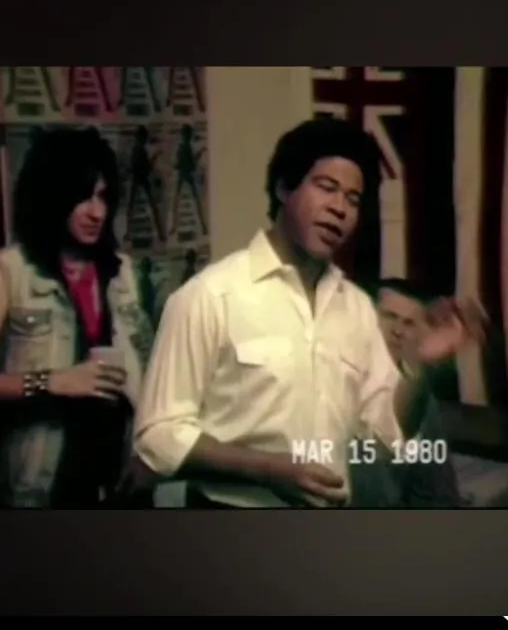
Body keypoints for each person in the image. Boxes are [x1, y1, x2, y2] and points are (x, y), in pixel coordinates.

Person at [129, 118, 486, 508]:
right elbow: (158, 436)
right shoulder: (210, 296)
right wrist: (266, 469)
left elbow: (385, 434)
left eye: (353, 199)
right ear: (284, 188)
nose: (339, 208)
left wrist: (419, 364)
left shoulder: (356, 307)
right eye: (326, 187)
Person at [0, 127, 151, 508]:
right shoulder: (10, 272)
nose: (97, 212)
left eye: (103, 197)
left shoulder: (121, 271)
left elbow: (148, 367)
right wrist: (50, 382)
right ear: (52, 196)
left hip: (119, 476)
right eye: (82, 197)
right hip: (43, 483)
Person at [350, 278, 462, 507]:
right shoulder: (337, 375)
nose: (398, 331)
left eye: (409, 323)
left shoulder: (418, 396)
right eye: (389, 316)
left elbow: (437, 490)